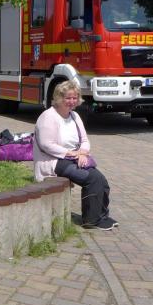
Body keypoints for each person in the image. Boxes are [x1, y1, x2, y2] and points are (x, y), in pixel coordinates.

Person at [33, 81, 117, 230]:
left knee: (101, 180)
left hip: (74, 157)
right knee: (92, 179)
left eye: (75, 98)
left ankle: (101, 216)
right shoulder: (48, 117)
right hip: (54, 160)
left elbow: (84, 140)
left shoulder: (74, 116)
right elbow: (47, 145)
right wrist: (72, 154)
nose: (72, 101)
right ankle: (91, 221)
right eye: (68, 98)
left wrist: (83, 153)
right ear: (59, 98)